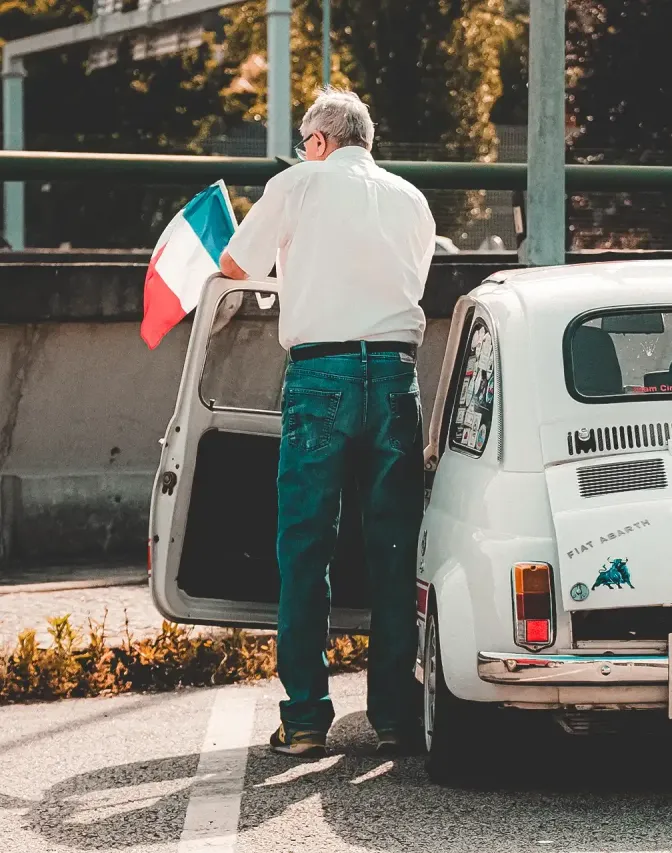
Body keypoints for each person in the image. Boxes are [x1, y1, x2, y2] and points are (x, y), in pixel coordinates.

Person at [219, 87, 436, 758]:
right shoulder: (411, 199)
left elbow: (235, 266)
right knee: (395, 551)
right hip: (396, 375)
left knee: (306, 547)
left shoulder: (297, 184)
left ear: (318, 141)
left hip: (320, 376)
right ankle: (396, 717)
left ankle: (307, 718)